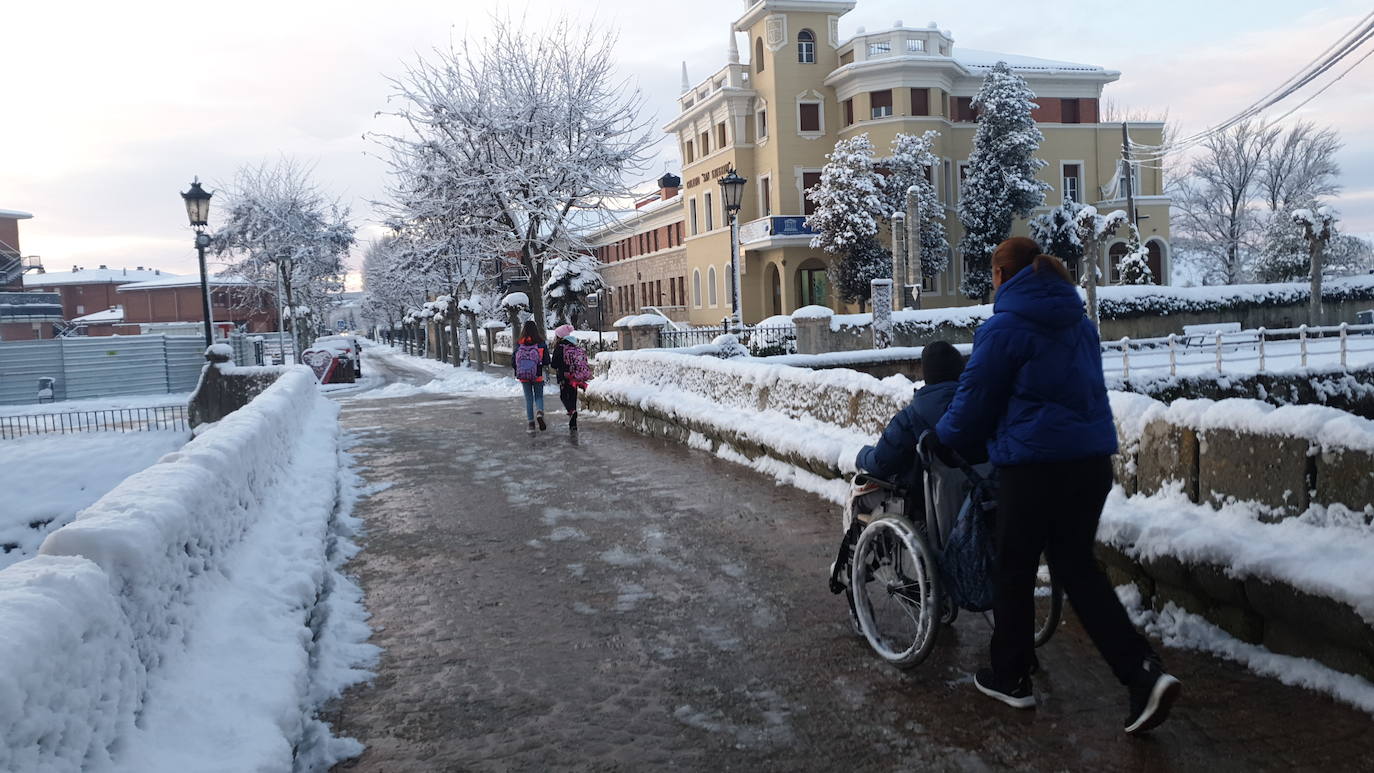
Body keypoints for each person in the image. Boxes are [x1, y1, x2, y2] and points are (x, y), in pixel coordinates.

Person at [935, 236, 1181, 735]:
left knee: (1014, 566)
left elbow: (974, 402)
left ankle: (1011, 675)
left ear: (1001, 276)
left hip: (1034, 468)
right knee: (1075, 567)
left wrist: (941, 441)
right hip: (1090, 462)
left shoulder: (1003, 328)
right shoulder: (1079, 322)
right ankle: (1141, 672)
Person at [854, 339, 969, 486]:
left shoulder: (910, 417)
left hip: (929, 502)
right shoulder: (978, 408)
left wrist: (862, 455)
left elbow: (882, 463)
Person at [512, 320, 550, 431]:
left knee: (528, 398)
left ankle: (531, 424)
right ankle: (539, 412)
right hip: (537, 374)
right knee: (538, 396)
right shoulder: (541, 343)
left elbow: (513, 361)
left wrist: (518, 369)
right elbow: (547, 360)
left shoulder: (519, 343)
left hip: (523, 375)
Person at [550, 323, 588, 431]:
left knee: (563, 396)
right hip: (574, 377)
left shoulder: (559, 347)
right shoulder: (574, 346)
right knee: (573, 397)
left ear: (560, 336)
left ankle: (571, 411)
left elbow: (554, 364)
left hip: (564, 377)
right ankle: (573, 424)